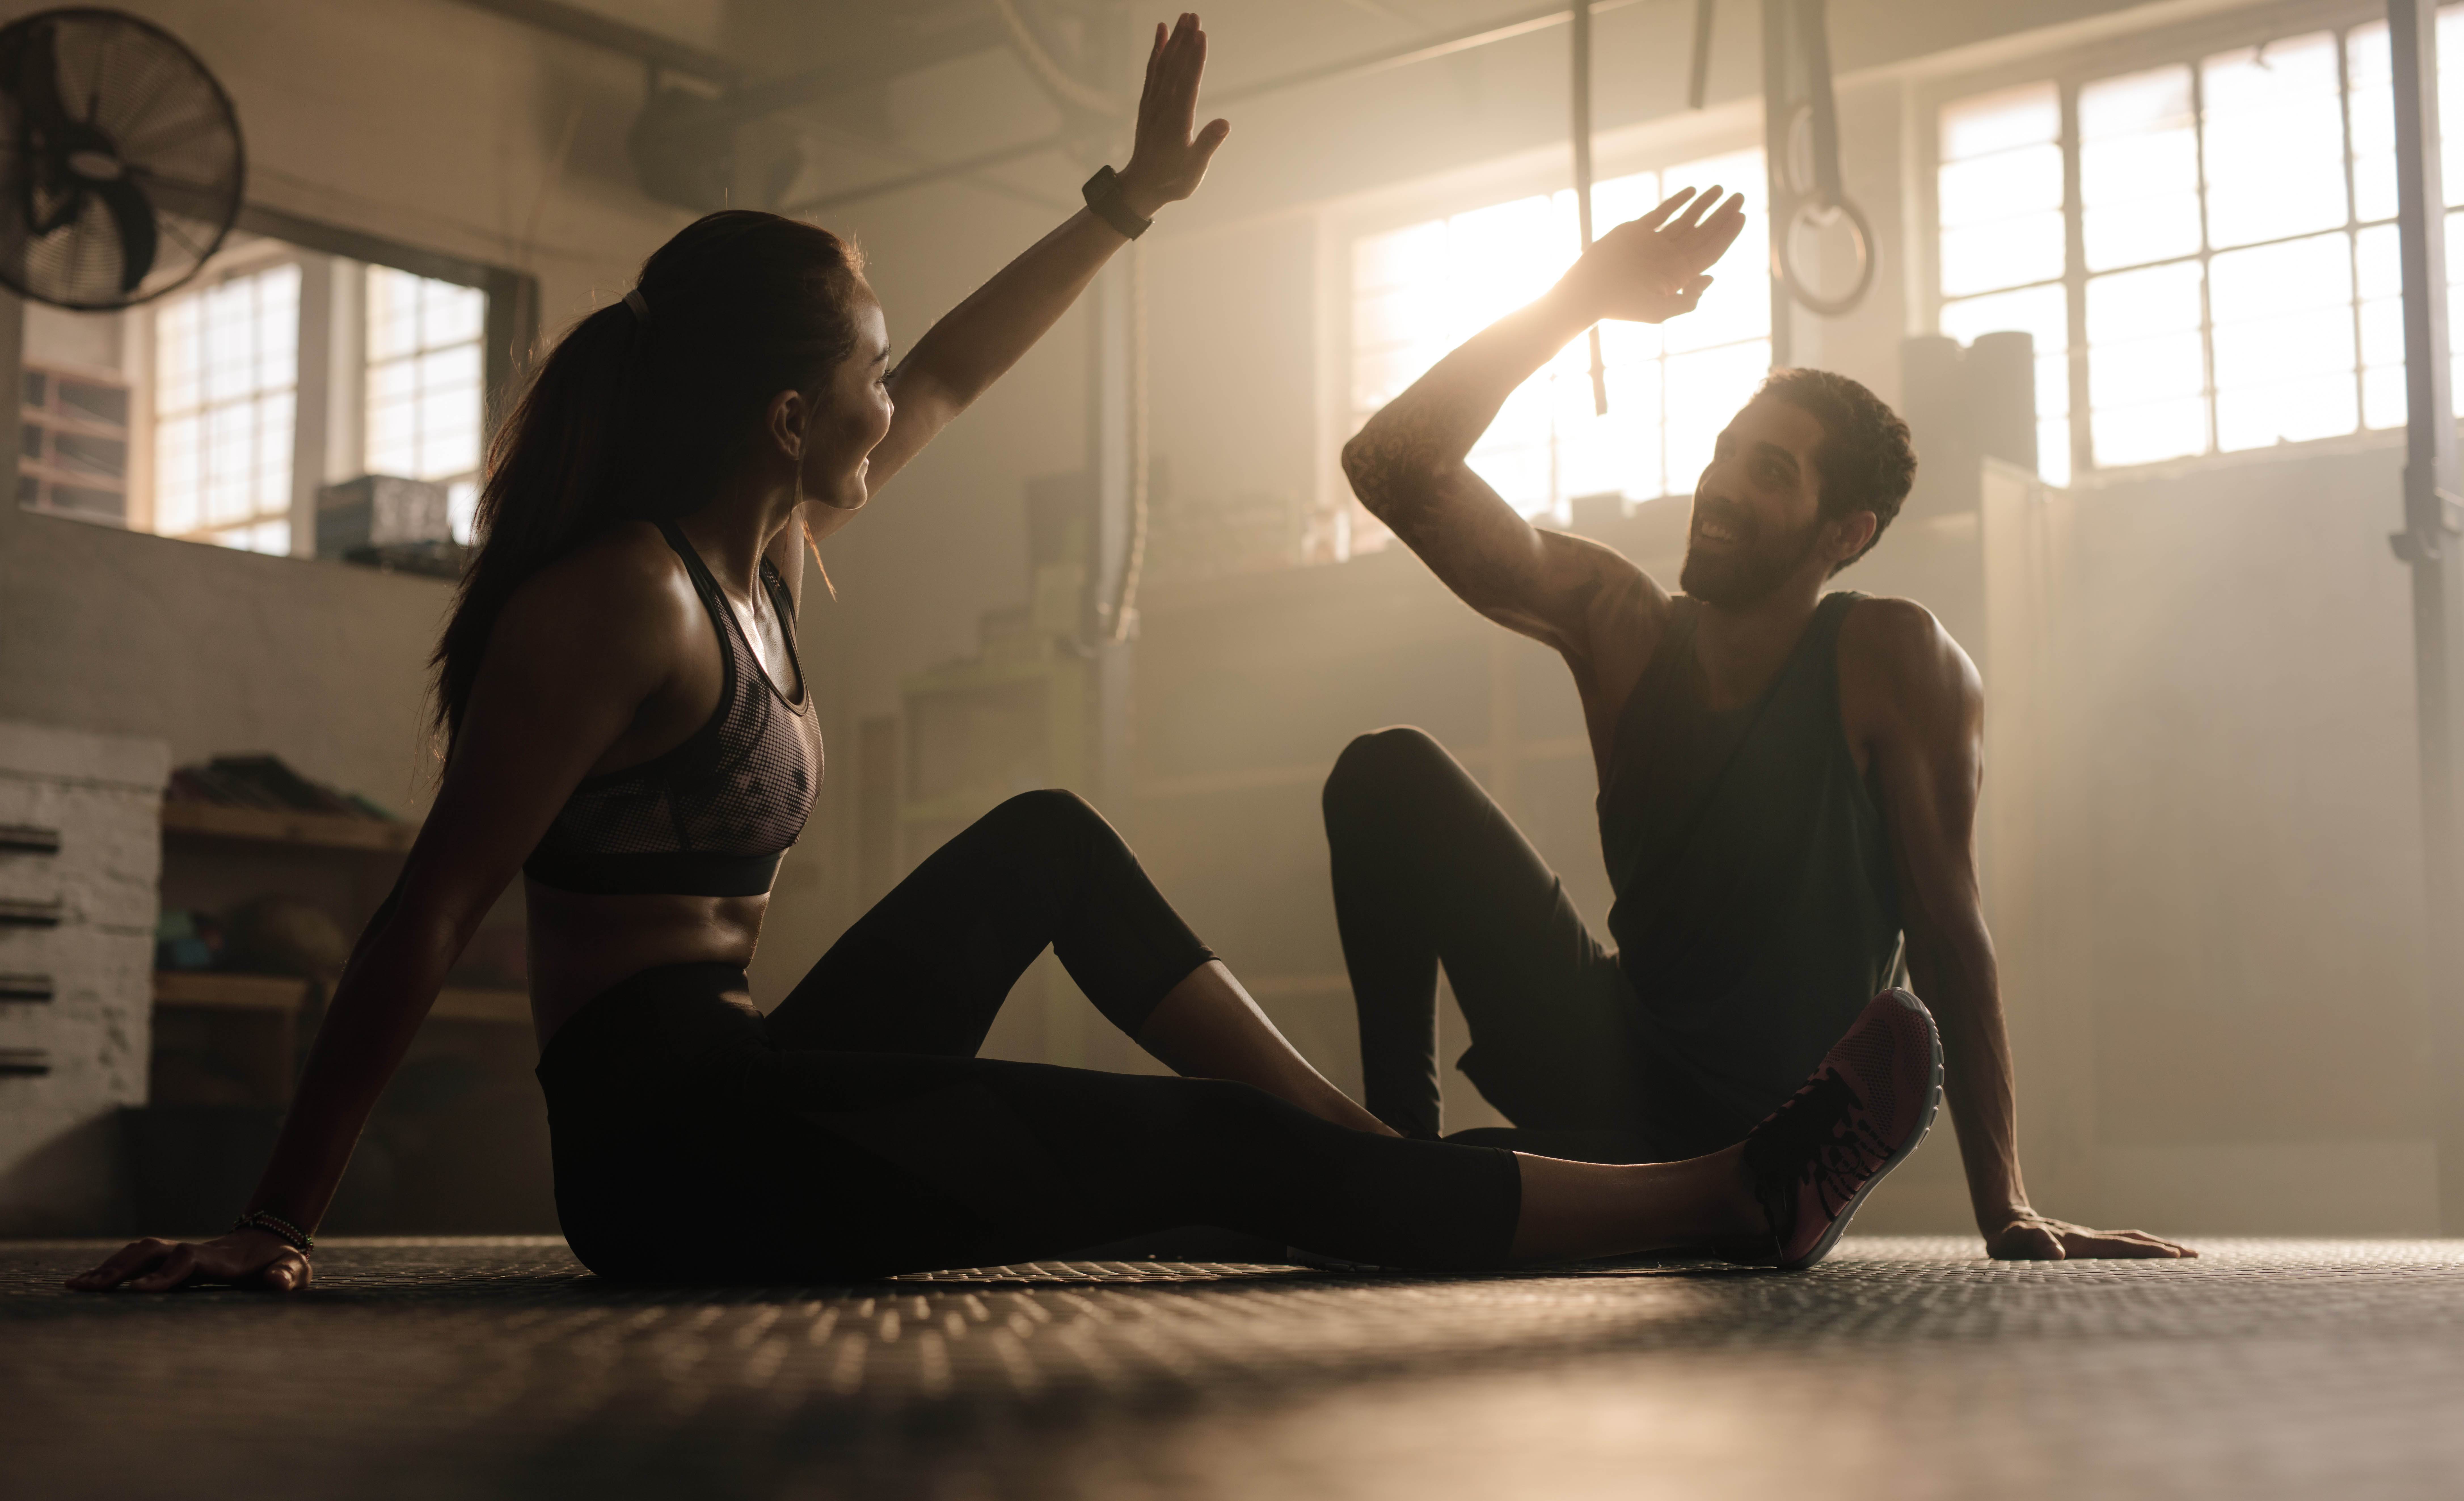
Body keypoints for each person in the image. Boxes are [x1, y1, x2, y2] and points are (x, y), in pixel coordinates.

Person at [68, 17, 1939, 1296]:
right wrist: (273, 1217)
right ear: (792, 415)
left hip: (748, 1079)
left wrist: (1122, 206)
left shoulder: (759, 545)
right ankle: (1711, 1196)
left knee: (1046, 838)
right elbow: (429, 902)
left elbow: (958, 360)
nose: (904, 387)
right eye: (863, 366)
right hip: (674, 1162)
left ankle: (1361, 1150)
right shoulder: (626, 599)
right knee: (1194, 1165)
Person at [1333, 183, 2191, 1262]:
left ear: (1845, 531)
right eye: (1726, 454)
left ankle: (1651, 1196)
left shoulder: (1888, 656)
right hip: (1614, 1060)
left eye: (1768, 473)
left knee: (1503, 1184)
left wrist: (2005, 1206)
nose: (1720, 488)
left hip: (1769, 1129)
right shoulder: (1624, 626)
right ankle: (1388, 1154)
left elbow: (1948, 929)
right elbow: (1388, 467)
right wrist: (1577, 299)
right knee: (1386, 774)